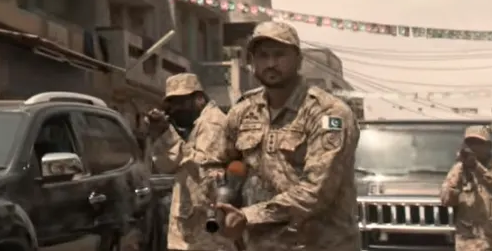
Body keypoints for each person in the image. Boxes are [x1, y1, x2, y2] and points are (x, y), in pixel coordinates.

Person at [212, 20, 360, 251]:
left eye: (280, 55)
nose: (271, 63)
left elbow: (318, 191)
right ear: (252, 61)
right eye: (263, 56)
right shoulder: (242, 112)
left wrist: (248, 216)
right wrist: (223, 195)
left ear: (298, 60)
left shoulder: (328, 113)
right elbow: (219, 161)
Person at [146, 73, 235, 251]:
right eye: (172, 104)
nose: (175, 109)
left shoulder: (212, 124)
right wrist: (161, 135)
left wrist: (169, 137)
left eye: (181, 102)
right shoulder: (194, 126)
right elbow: (167, 166)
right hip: (191, 232)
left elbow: (203, 172)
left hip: (205, 233)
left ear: (199, 99)